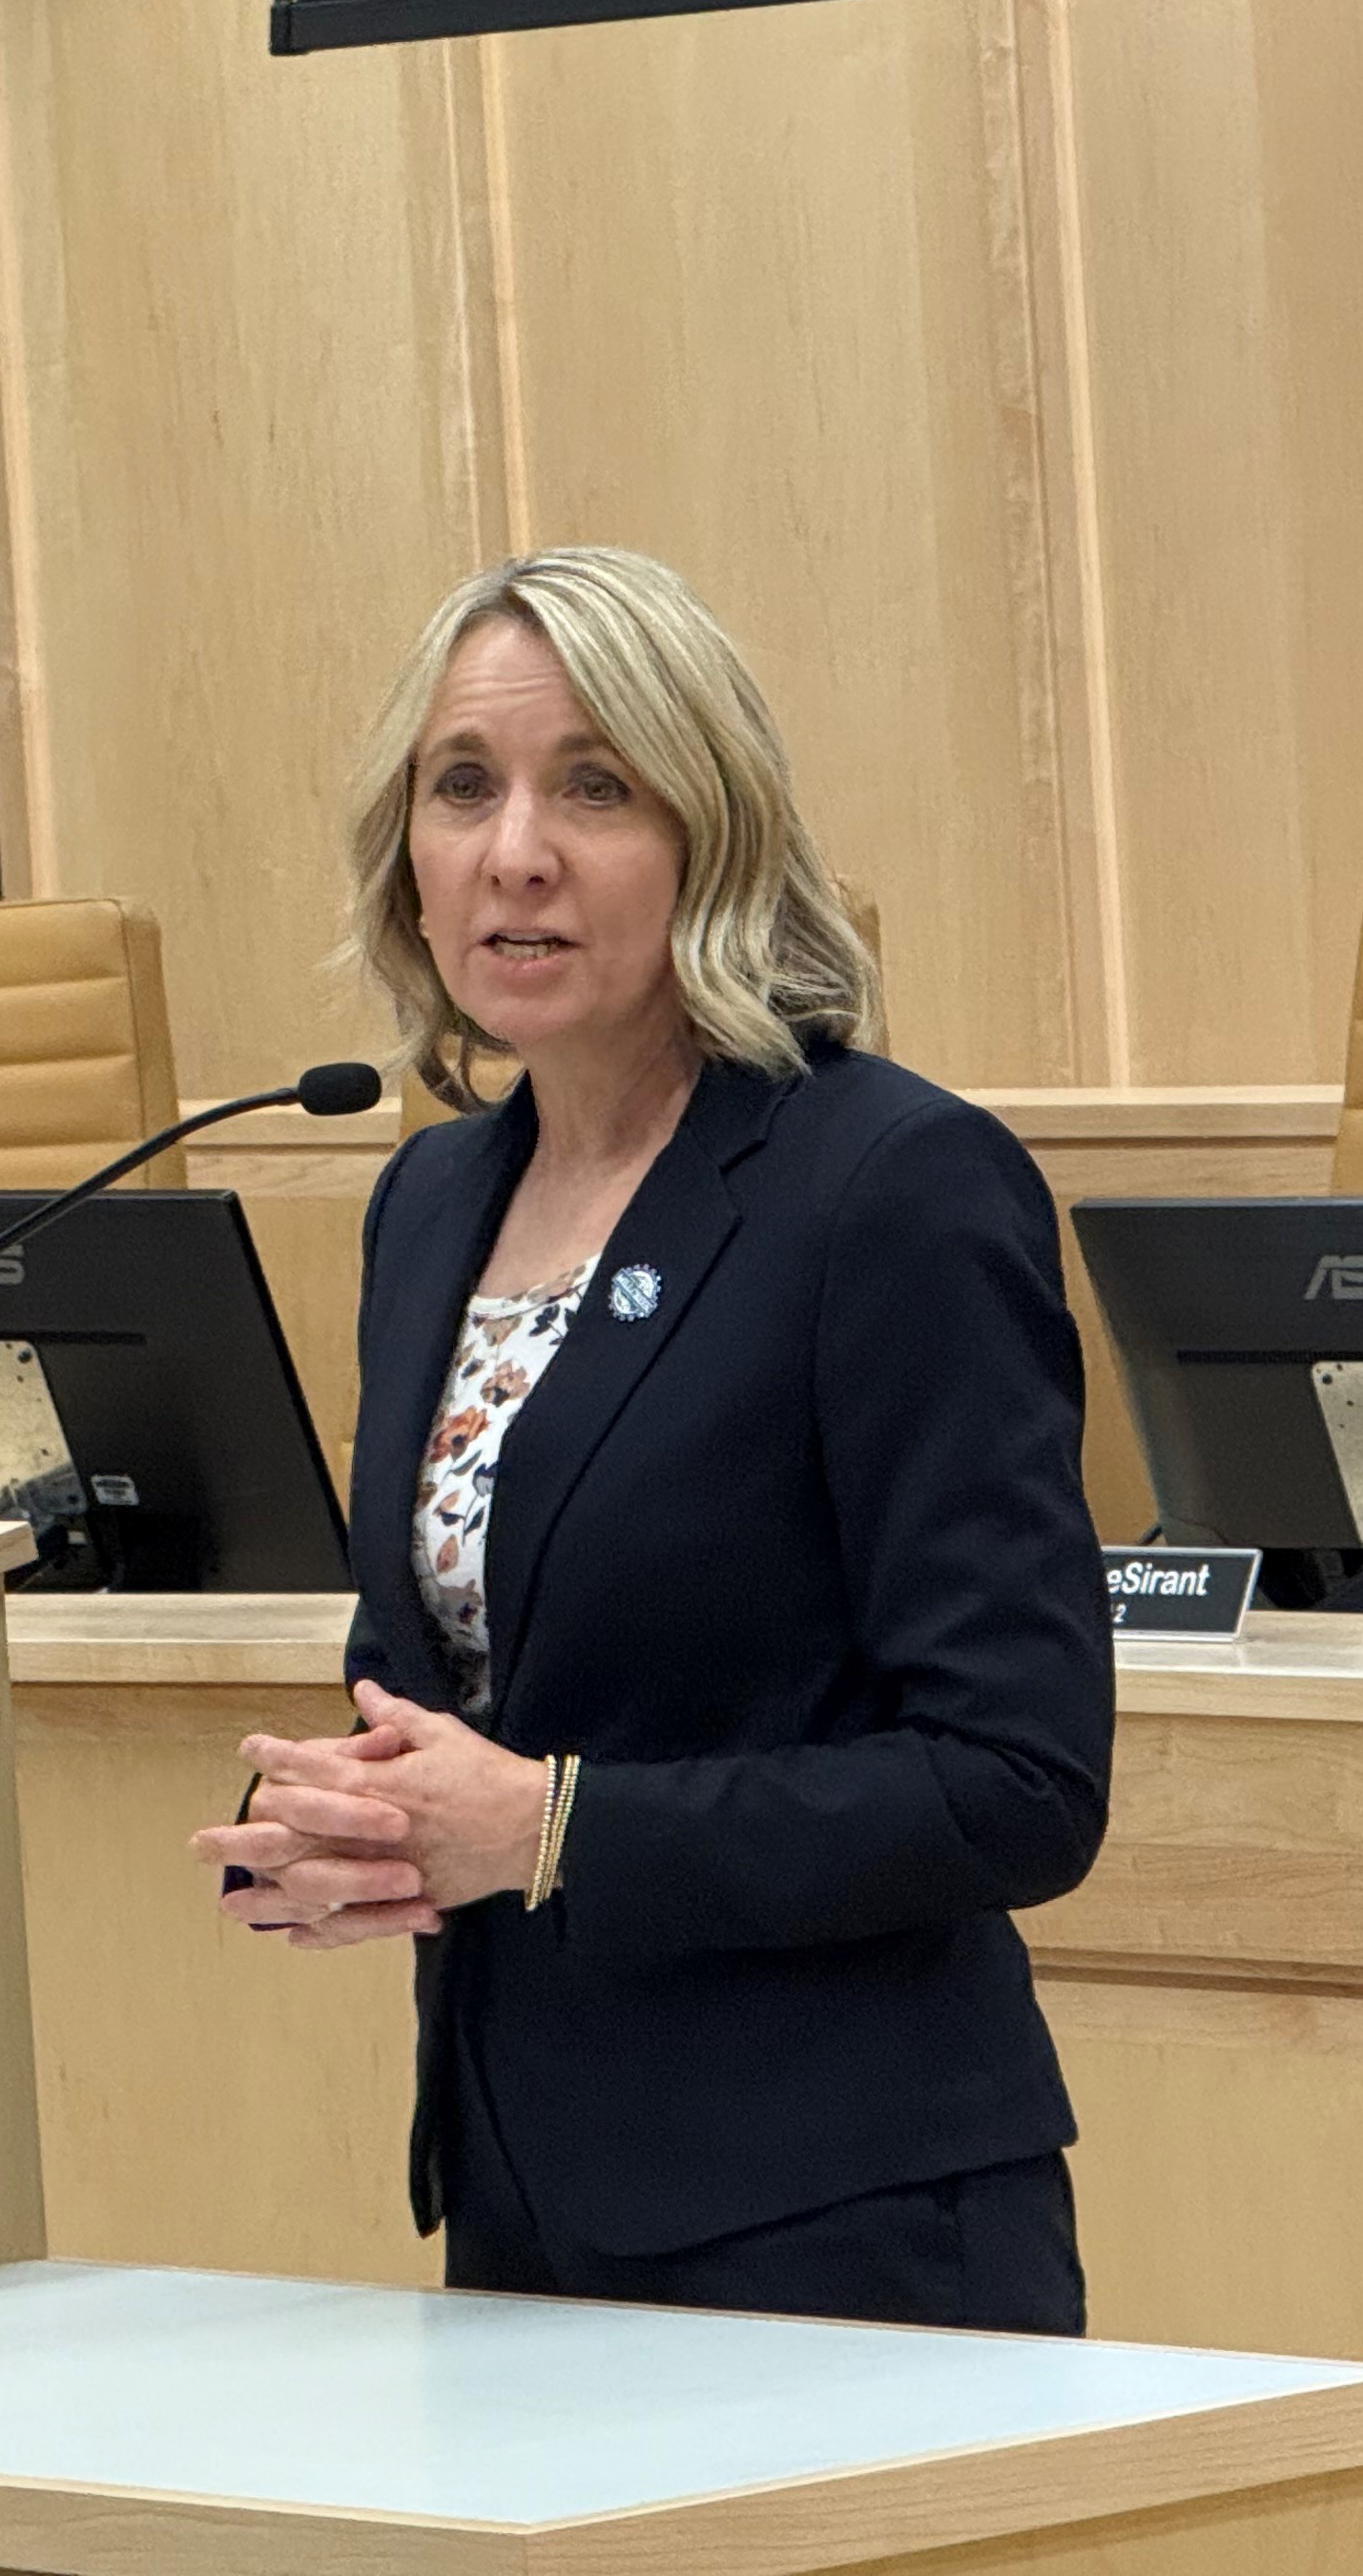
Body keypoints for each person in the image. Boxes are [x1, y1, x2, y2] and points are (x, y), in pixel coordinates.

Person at [189, 546, 1112, 2337]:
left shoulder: (884, 1187)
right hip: (524, 2188)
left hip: (840, 2209)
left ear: (714, 835)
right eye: (464, 785)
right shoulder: (432, 1199)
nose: (513, 847)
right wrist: (354, 1817)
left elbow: (1019, 1777)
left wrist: (549, 1827)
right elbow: (450, 1674)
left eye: (592, 785)